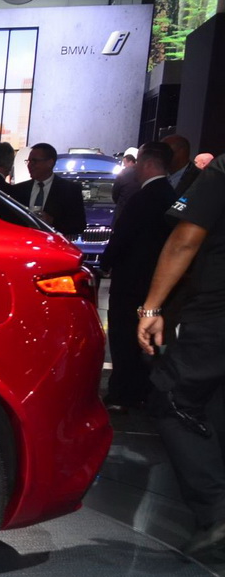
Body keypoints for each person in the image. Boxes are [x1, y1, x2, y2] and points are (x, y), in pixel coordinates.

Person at [136, 152, 225, 557]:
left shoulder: (222, 170)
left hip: (216, 313)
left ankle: (217, 514)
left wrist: (151, 308)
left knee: (171, 399)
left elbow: (186, 238)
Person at [101, 141, 176, 413]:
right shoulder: (173, 195)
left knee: (123, 338)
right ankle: (143, 390)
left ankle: (122, 392)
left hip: (130, 281)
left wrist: (105, 263)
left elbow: (122, 237)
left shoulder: (141, 198)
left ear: (146, 164)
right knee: (146, 342)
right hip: (157, 281)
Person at [9, 142, 85, 238]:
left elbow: (79, 226)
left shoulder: (70, 190)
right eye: (28, 161)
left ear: (50, 163)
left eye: (34, 161)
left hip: (52, 243)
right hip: (24, 242)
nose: (30, 165)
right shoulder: (18, 190)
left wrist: (52, 221)